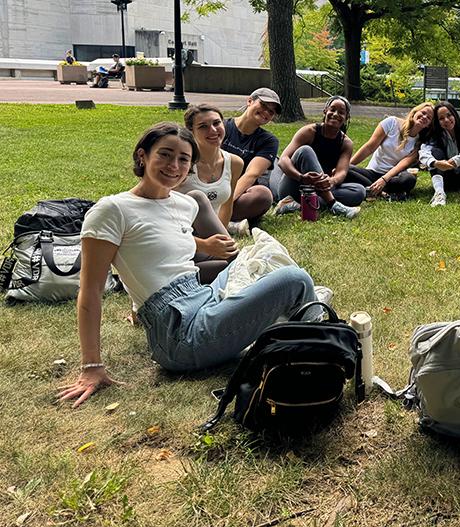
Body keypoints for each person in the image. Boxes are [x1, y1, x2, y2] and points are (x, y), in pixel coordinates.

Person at [56, 123, 318, 408]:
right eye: (165, 155)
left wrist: (205, 246)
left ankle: (301, 325)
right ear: (142, 156)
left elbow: (166, 242)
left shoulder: (183, 204)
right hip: (179, 334)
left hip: (203, 297)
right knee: (293, 279)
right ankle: (321, 340)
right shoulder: (113, 210)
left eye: (183, 159)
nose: (174, 166)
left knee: (259, 261)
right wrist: (91, 365)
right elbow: (90, 291)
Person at [175, 104, 245, 283]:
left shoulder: (234, 163)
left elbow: (226, 207)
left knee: (230, 268)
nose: (213, 130)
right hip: (180, 242)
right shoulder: (182, 165)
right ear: (191, 131)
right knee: (238, 268)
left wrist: (218, 245)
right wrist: (205, 245)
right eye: (203, 126)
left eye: (217, 123)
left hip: (210, 244)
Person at [269, 96, 364, 219]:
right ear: (325, 111)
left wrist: (331, 181)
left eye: (341, 112)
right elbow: (283, 160)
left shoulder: (346, 143)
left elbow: (341, 172)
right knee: (305, 151)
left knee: (359, 191)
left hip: (318, 189)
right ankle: (333, 204)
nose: (335, 114)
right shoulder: (309, 132)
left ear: (346, 118)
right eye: (332, 110)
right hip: (295, 184)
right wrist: (302, 178)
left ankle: (299, 204)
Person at [346, 102, 434, 200]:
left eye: (429, 117)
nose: (425, 117)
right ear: (415, 112)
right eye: (423, 113)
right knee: (345, 170)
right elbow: (369, 147)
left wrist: (384, 179)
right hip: (372, 173)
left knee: (409, 179)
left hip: (392, 177)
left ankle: (372, 189)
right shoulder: (391, 123)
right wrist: (347, 167)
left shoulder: (419, 143)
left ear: (429, 125)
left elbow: (402, 164)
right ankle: (383, 193)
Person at [221, 87, 280, 224]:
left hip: (237, 194)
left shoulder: (269, 141)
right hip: (211, 186)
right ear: (249, 101)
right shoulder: (221, 127)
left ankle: (219, 218)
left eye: (271, 112)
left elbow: (251, 175)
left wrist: (225, 203)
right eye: (263, 105)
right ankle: (224, 222)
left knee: (263, 195)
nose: (266, 112)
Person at [419, 101, 460, 207]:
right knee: (435, 152)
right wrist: (435, 163)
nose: (446, 120)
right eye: (441, 118)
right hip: (447, 177)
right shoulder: (436, 136)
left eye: (449, 115)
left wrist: (458, 160)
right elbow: (423, 152)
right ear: (437, 122)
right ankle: (439, 193)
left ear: (454, 114)